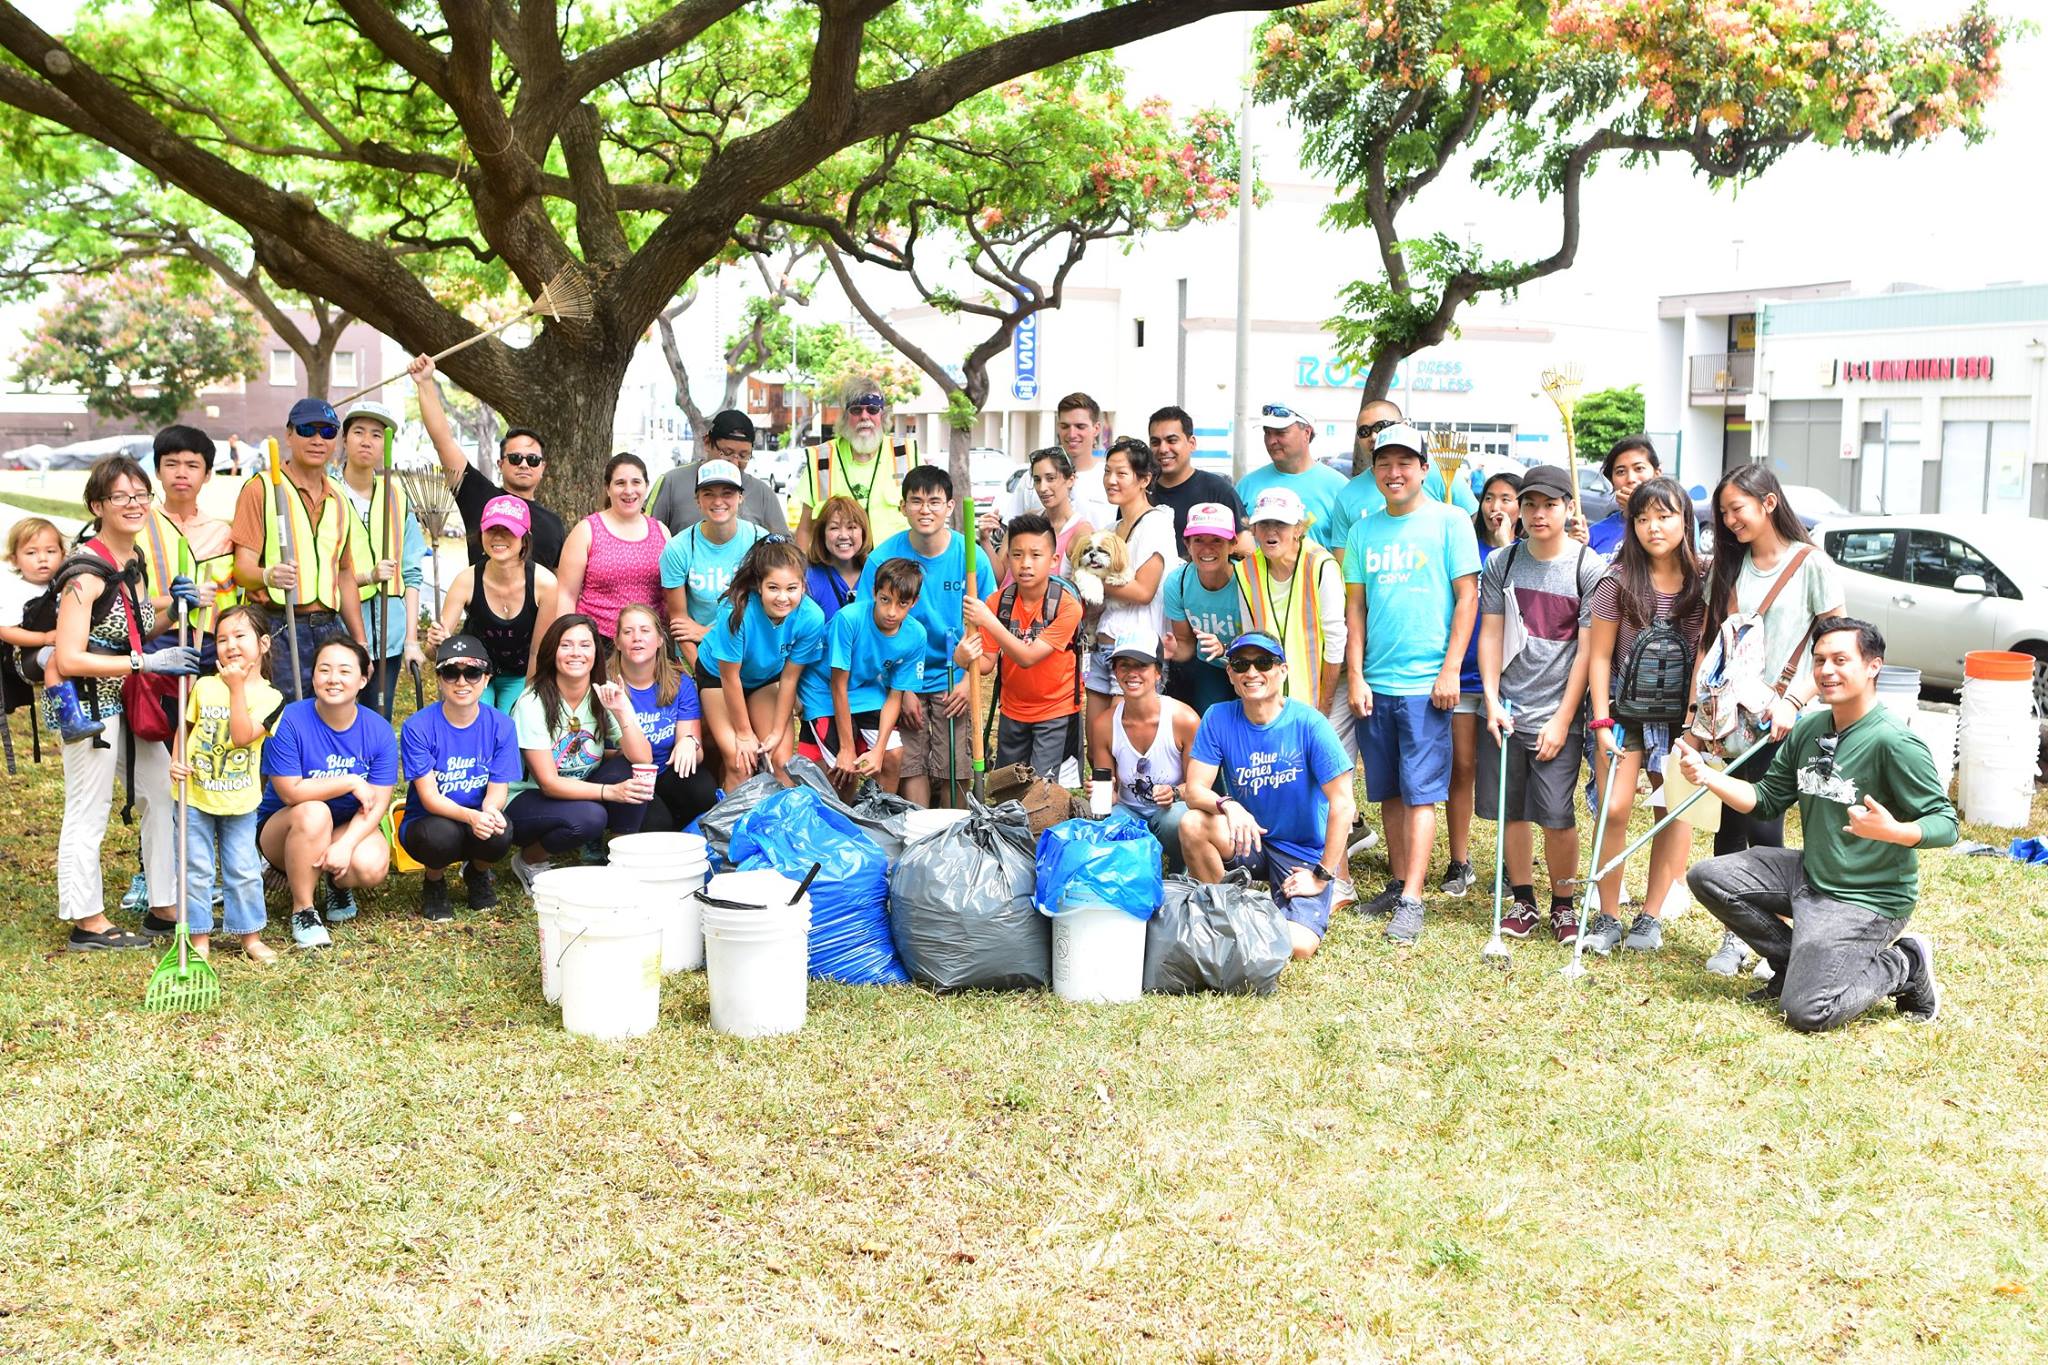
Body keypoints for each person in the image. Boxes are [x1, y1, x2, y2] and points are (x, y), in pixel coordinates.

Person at [1679, 618, 1950, 1030]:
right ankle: (1794, 964)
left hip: (1866, 898)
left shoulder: (1894, 742)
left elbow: (1946, 824)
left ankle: (1906, 963)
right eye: (1820, 660)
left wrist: (1894, 831)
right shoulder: (1809, 729)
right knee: (1707, 876)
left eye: (1841, 660)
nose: (1827, 670)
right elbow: (1767, 801)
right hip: (1811, 874)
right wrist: (1708, 775)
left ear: (1873, 666)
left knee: (1807, 1012)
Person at [1696, 465, 1845, 978]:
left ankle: (1777, 939)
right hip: (1731, 719)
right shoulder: (1728, 567)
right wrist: (1699, 719)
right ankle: (1735, 935)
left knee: (1765, 825)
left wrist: (1795, 702)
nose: (1730, 521)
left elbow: (1834, 646)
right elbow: (1712, 646)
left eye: (1737, 510)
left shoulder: (1812, 565)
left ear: (1769, 504)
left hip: (1784, 721)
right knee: (1729, 825)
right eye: (1723, 514)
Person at [50, 456, 201, 950]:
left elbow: (128, 635)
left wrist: (172, 612)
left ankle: (164, 905)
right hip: (89, 706)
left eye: (141, 495)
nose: (134, 505)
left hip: (128, 703)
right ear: (98, 505)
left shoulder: (130, 566)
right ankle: (86, 920)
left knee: (160, 792)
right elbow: (70, 657)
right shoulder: (84, 573)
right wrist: (148, 665)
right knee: (87, 809)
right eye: (121, 497)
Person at [1343, 423, 1480, 944]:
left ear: (1425, 468)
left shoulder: (1450, 522)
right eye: (1384, 463)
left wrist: (1450, 669)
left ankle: (1414, 899)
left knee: (1422, 792)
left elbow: (1467, 599)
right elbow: (1356, 608)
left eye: (1405, 463)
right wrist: (1356, 675)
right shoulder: (1362, 532)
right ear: (1374, 471)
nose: (1394, 472)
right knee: (1390, 792)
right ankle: (1400, 882)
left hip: (1427, 683)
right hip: (1376, 683)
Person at [1476, 464, 1604, 946]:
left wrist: (1564, 719)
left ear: (1569, 507)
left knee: (1556, 813)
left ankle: (1564, 906)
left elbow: (1588, 651)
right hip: (1507, 709)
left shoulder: (1587, 567)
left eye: (1549, 504)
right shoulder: (1502, 563)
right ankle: (1524, 901)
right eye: (1528, 504)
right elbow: (1489, 634)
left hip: (1558, 715)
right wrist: (1491, 701)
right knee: (1511, 811)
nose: (1537, 513)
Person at [1584, 476, 1708, 954]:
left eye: (1664, 516)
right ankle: (1608, 913)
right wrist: (1599, 721)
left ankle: (1650, 916)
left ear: (1684, 520)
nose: (1653, 527)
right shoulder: (1616, 579)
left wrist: (1698, 723)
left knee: (1671, 809)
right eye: (1642, 518)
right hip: (1623, 709)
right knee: (1614, 808)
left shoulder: (1707, 577)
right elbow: (1599, 655)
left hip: (1681, 716)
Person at [1181, 633, 1357, 960]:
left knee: (1301, 946)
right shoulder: (1218, 718)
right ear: (1230, 675)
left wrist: (1322, 875)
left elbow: (1344, 803)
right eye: (1240, 664)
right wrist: (1228, 804)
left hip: (1301, 849)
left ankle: (1251, 916)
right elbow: (1194, 791)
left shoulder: (1310, 724)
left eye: (1263, 663)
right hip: (1251, 839)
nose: (1251, 673)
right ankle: (1228, 913)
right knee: (1193, 824)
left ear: (1283, 670)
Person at [854, 466, 996, 808]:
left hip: (955, 673)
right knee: (911, 761)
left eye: (934, 501)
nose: (925, 509)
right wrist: (900, 689)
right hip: (902, 677)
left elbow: (988, 625)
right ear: (903, 507)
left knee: (955, 764)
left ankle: (955, 831)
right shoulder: (883, 558)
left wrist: (966, 681)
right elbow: (870, 631)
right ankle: (919, 830)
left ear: (949, 507)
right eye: (915, 501)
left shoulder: (970, 556)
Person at [255, 636, 398, 949]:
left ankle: (336, 882)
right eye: (325, 670)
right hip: (285, 829)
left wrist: (346, 844)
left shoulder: (379, 730)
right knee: (314, 811)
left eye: (345, 671)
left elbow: (377, 804)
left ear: (363, 679)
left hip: (343, 826)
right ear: (314, 675)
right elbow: (291, 792)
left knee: (372, 864)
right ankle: (303, 909)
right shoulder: (289, 720)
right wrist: (349, 781)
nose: (334, 679)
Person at [230, 397, 369, 701]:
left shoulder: (340, 499)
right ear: (289, 435)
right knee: (284, 718)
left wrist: (359, 641)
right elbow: (242, 569)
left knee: (331, 715)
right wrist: (268, 575)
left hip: (329, 627)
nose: (318, 440)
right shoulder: (262, 488)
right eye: (307, 429)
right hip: (279, 625)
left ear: (337, 441)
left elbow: (344, 573)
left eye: (328, 432)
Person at [504, 613, 654, 889]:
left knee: (634, 769)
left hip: (578, 788)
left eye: (585, 645)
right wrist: (610, 792)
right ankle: (528, 860)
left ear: (596, 651)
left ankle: (619, 859)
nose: (576, 653)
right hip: (525, 797)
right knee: (589, 817)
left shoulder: (601, 693)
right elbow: (548, 784)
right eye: (566, 645)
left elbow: (643, 758)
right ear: (553, 651)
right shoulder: (533, 702)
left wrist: (622, 711)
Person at [169, 604, 285, 961]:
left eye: (240, 636)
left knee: (244, 870)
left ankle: (249, 935)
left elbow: (240, 736)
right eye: (222, 639)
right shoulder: (204, 686)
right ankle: (198, 938)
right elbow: (185, 727)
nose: (230, 645)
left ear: (263, 643)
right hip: (193, 796)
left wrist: (236, 688)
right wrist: (176, 758)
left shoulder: (272, 698)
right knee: (195, 869)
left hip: (239, 801)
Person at [398, 635, 520, 919]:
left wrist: (489, 813)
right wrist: (471, 817)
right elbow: (429, 797)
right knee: (441, 836)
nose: (462, 682)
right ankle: (434, 881)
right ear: (439, 680)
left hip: (476, 816)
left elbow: (497, 788)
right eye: (451, 673)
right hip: (428, 820)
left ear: (487, 679)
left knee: (501, 830)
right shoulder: (418, 726)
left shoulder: (502, 725)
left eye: (473, 673)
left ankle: (477, 873)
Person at [1441, 471, 1521, 899]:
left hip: (1506, 682)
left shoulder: (1524, 553)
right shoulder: (1466, 548)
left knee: (1503, 775)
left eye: (1507, 499)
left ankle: (1511, 866)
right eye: (1489, 498)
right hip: (1463, 677)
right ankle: (1459, 862)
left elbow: (1520, 603)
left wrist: (1510, 543)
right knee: (1462, 769)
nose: (1496, 507)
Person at [411, 353, 567, 570]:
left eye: (532, 460)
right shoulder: (479, 496)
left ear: (542, 467)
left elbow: (559, 583)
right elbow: (443, 441)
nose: (523, 464)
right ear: (500, 464)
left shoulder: (555, 525)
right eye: (515, 458)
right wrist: (425, 382)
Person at [964, 513, 1085, 777]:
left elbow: (1028, 656)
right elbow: (984, 665)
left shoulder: (1066, 606)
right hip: (1013, 710)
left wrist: (988, 620)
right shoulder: (999, 602)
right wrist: (962, 654)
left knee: (1040, 790)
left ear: (1053, 561)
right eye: (1017, 555)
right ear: (1007, 559)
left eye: (1035, 555)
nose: (1025, 564)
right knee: (1008, 785)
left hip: (1056, 711)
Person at [698, 536, 826, 783]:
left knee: (780, 761)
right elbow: (729, 676)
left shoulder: (811, 617)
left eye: (791, 588)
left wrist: (778, 732)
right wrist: (744, 733)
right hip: (719, 676)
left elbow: (790, 678)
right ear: (759, 585)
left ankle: (778, 821)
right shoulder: (736, 611)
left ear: (803, 586)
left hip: (766, 678)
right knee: (740, 761)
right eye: (773, 588)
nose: (783, 598)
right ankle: (733, 820)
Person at [796, 558, 926, 795]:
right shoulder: (849, 619)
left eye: (902, 603)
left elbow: (896, 695)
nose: (891, 611)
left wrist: (878, 750)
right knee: (844, 768)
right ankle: (843, 825)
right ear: (875, 593)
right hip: (822, 689)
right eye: (885, 599)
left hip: (865, 688)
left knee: (892, 755)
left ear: (914, 602)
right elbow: (838, 684)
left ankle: (879, 817)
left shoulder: (916, 635)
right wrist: (846, 748)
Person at [1083, 438, 1179, 755]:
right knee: (1098, 747)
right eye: (1108, 471)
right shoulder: (1111, 528)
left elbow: (1142, 590)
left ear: (1144, 479)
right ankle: (1100, 805)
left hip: (1137, 653)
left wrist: (1092, 578)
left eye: (1121, 473)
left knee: (1124, 748)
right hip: (1102, 646)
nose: (1111, 480)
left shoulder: (1157, 523)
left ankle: (1127, 805)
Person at [427, 495, 560, 712]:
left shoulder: (544, 584)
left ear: (525, 537)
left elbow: (538, 651)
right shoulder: (466, 580)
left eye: (508, 530)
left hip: (520, 673)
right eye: (491, 529)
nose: (498, 537)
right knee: (478, 718)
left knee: (513, 722)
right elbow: (434, 653)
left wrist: (529, 698)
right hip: (474, 671)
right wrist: (436, 642)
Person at [337, 401, 427, 716]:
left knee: (378, 718)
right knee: (338, 717)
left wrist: (412, 641)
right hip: (340, 631)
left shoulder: (397, 497)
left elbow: (412, 572)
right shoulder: (327, 492)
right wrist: (368, 576)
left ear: (386, 446)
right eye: (358, 431)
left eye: (377, 435)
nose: (367, 440)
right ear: (344, 439)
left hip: (390, 634)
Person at [614, 603, 720, 832]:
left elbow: (696, 750)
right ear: (617, 642)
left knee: (703, 791)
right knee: (657, 823)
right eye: (628, 631)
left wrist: (689, 743)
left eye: (645, 630)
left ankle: (680, 829)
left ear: (660, 639)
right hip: (625, 775)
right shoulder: (607, 685)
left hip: (665, 769)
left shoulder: (679, 682)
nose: (636, 638)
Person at [1093, 644, 1197, 873]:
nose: (1132, 673)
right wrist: (1103, 793)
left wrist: (1175, 792)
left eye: (1141, 665)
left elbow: (1198, 788)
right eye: (1124, 666)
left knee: (1177, 820)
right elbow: (1108, 790)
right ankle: (1134, 874)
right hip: (1129, 812)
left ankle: (1184, 869)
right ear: (1115, 672)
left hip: (1172, 811)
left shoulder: (1184, 719)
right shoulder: (1104, 724)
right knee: (1107, 825)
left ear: (1158, 672)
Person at [1325, 398, 1478, 555]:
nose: (1373, 436)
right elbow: (1345, 562)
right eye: (1364, 431)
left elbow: (1473, 518)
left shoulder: (1439, 473)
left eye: (1381, 426)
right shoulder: (1348, 495)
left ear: (1405, 425)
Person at [554, 453, 668, 655]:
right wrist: (566, 641)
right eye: (620, 483)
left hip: (648, 643)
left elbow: (669, 594)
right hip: (598, 641)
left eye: (636, 482)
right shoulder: (587, 530)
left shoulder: (661, 531)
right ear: (608, 488)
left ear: (646, 486)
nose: (629, 490)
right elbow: (566, 594)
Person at [0, 516, 100, 743]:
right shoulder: (15, 590)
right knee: (57, 658)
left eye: (51, 551)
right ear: (14, 559)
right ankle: (69, 719)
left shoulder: (65, 582)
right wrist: (44, 637)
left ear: (63, 555)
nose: (42, 559)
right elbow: (5, 630)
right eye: (31, 553)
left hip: (61, 646)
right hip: (27, 656)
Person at [659, 459, 764, 674]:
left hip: (752, 650)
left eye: (727, 493)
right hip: (698, 654)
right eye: (708, 493)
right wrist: (702, 671)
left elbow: (772, 611)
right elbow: (679, 620)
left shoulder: (761, 541)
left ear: (740, 497)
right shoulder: (678, 548)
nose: (718, 501)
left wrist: (705, 632)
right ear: (697, 500)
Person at [793, 376, 918, 551]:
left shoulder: (906, 454)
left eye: (873, 409)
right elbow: (805, 529)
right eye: (856, 410)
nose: (864, 416)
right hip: (837, 572)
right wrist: (801, 573)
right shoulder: (821, 458)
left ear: (883, 415)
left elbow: (926, 517)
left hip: (895, 571)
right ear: (845, 416)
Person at [154, 424, 238, 646]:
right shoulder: (141, 528)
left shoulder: (222, 534)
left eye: (192, 465)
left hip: (211, 643)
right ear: (157, 471)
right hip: (154, 641)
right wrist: (177, 601)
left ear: (208, 474)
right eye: (171, 464)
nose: (181, 473)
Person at [1162, 502, 1248, 713]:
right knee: (1211, 719)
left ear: (1232, 544)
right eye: (1198, 540)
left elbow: (1263, 639)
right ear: (1187, 544)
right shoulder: (1177, 582)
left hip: (1250, 664)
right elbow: (1185, 644)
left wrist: (1226, 650)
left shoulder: (1248, 581)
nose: (1207, 548)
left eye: (1217, 540)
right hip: (1209, 666)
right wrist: (1171, 651)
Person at [648, 409, 790, 535]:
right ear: (708, 443)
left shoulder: (763, 493)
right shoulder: (672, 482)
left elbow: (783, 549)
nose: (734, 463)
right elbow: (645, 535)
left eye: (743, 455)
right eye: (727, 453)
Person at [1235, 402, 1347, 553]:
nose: (1271, 441)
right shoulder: (1246, 485)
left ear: (1307, 433)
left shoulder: (1339, 487)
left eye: (1280, 433)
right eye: (1267, 432)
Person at [996, 392, 1114, 531]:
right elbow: (1013, 533)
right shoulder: (1032, 477)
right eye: (1065, 426)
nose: (1072, 434)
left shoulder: (1110, 478)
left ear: (1096, 428)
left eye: (1080, 426)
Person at [1146, 405, 1249, 554]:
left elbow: (1246, 552)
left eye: (1172, 440)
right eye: (1155, 442)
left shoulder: (1218, 491)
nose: (1163, 449)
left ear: (1192, 443)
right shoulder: (1140, 492)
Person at [988, 448, 1093, 583]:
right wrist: (985, 540)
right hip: (1008, 603)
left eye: (1050, 478)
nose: (1042, 488)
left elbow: (1085, 590)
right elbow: (1001, 578)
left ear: (1070, 480)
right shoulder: (1027, 519)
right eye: (1037, 480)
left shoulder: (1081, 532)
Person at [1588, 436, 1662, 561]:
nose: (1631, 479)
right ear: (1612, 481)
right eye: (1621, 472)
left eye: (1639, 468)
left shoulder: (1677, 522)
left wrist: (1639, 510)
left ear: (1657, 474)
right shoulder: (1593, 534)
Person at [803, 494, 870, 623]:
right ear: (822, 534)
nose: (844, 535)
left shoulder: (877, 573)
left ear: (863, 532)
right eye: (834, 528)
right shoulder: (808, 579)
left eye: (851, 527)